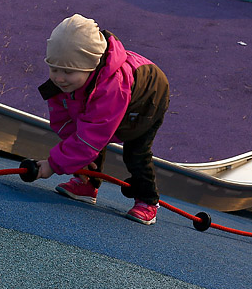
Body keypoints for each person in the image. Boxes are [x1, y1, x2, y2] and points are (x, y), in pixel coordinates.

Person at [35, 14, 170, 225]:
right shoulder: (64, 84)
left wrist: (53, 165)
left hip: (148, 99)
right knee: (86, 131)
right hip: (111, 101)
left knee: (136, 151)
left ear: (90, 68)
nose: (59, 78)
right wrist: (78, 159)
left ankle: (148, 201)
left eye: (68, 72)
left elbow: (91, 137)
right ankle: (87, 183)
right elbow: (65, 121)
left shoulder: (111, 88)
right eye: (53, 69)